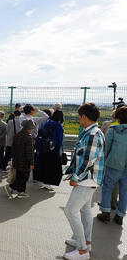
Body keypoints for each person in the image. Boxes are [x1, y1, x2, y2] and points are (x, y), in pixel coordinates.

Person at [63, 102, 104, 260]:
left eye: (79, 116)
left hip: (86, 180)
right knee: (85, 210)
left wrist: (75, 177)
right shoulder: (92, 132)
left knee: (70, 211)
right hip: (89, 179)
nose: (79, 119)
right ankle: (86, 242)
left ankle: (82, 250)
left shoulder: (92, 134)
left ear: (84, 117)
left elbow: (88, 160)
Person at [97, 106, 127, 225]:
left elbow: (106, 148)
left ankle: (105, 212)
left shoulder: (114, 130)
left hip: (114, 163)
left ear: (118, 118)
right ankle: (120, 216)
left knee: (107, 188)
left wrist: (103, 161)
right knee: (124, 192)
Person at [33, 110, 65, 191]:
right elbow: (60, 139)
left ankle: (42, 180)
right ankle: (47, 182)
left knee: (43, 163)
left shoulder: (47, 123)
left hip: (44, 146)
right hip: (52, 147)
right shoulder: (58, 126)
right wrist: (58, 148)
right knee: (52, 166)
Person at [4, 118, 35, 199]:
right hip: (25, 162)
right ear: (30, 128)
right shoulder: (28, 137)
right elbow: (30, 152)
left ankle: (21, 192)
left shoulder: (18, 135)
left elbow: (13, 148)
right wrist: (31, 163)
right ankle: (10, 187)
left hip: (17, 160)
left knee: (19, 176)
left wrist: (13, 158)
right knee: (24, 178)